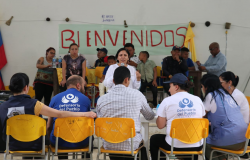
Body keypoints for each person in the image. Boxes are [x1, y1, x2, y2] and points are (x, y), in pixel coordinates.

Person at [0, 73, 96, 153]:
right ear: (26, 87)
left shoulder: (3, 106)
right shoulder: (35, 104)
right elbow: (60, 114)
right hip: (34, 145)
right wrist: (84, 114)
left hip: (11, 145)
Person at [97, 66, 155, 160]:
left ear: (113, 81)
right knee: (141, 147)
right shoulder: (137, 95)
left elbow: (100, 120)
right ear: (127, 80)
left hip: (109, 144)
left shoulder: (101, 99)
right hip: (131, 144)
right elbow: (150, 116)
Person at [150, 73, 205, 160]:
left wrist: (160, 116)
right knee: (190, 139)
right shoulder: (198, 99)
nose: (168, 90)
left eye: (170, 86)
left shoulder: (167, 101)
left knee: (154, 139)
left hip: (175, 145)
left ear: (176, 87)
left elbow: (160, 126)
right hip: (197, 145)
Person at [201, 74, 247, 160]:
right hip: (244, 139)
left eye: (202, 86)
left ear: (206, 87)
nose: (202, 89)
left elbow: (201, 116)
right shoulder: (227, 94)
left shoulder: (211, 96)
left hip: (231, 140)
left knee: (202, 141)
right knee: (216, 135)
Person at [47, 75, 92, 159]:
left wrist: (51, 140)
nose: (84, 88)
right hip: (81, 141)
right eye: (83, 86)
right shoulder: (86, 99)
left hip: (59, 142)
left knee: (59, 135)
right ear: (78, 85)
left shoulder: (54, 98)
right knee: (90, 137)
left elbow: (49, 126)